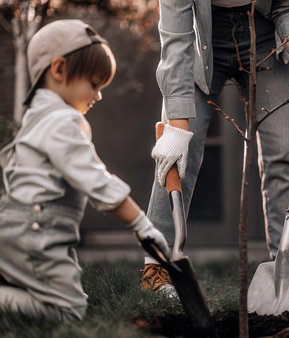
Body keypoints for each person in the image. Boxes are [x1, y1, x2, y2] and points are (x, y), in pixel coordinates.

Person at [141, 1, 289, 296]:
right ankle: (158, 267)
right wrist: (177, 130)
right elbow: (176, 41)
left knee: (281, 154)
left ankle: (287, 265)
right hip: (203, 38)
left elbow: (286, 5)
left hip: (264, 33)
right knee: (177, 155)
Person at [0, 19, 170, 322]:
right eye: (94, 84)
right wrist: (144, 226)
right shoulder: (63, 122)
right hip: (37, 234)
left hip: (16, 228)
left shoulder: (36, 116)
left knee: (46, 292)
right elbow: (96, 180)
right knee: (68, 312)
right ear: (59, 70)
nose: (99, 95)